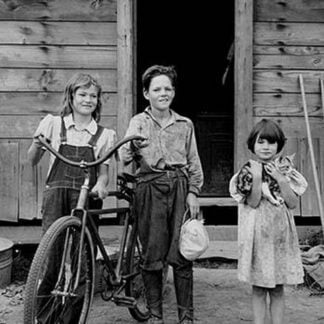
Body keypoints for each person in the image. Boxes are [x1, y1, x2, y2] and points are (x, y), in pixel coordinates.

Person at [27, 73, 116, 322]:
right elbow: (32, 159)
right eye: (83, 94)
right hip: (56, 194)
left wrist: (100, 184)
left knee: (81, 260)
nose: (88, 100)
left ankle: (71, 318)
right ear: (72, 96)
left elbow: (104, 175)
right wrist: (37, 144)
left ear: (98, 101)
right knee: (51, 256)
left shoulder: (104, 134)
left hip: (86, 197)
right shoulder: (53, 124)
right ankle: (43, 317)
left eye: (93, 96)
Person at [120, 65, 203, 324]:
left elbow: (194, 162)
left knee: (181, 253)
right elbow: (124, 158)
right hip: (149, 188)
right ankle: (156, 316)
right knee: (152, 254)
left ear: (174, 92)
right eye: (157, 89)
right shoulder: (138, 121)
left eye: (168, 88)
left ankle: (186, 317)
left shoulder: (184, 124)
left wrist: (193, 192)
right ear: (146, 93)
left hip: (179, 186)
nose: (163, 93)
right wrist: (132, 145)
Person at [229, 119, 308, 324]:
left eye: (271, 143)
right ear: (253, 145)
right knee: (259, 286)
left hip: (280, 236)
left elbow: (291, 203)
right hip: (257, 235)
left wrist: (281, 179)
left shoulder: (286, 171)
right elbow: (253, 202)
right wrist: (256, 178)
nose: (266, 147)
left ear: (279, 145)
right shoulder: (248, 170)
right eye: (261, 142)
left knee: (278, 287)